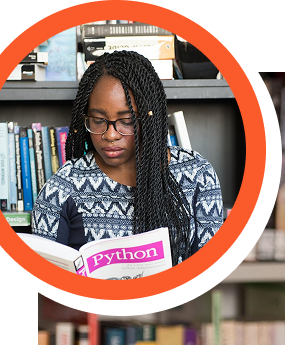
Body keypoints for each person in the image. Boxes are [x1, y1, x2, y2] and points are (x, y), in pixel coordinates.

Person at [31, 50, 223, 266]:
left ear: (149, 119)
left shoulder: (197, 175)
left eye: (127, 121)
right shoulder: (63, 187)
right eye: (98, 120)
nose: (110, 135)